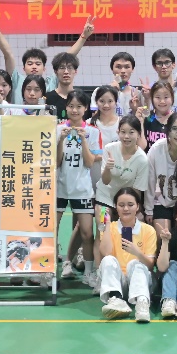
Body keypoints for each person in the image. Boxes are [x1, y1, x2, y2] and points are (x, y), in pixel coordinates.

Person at [57, 90, 101, 287]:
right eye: (71, 106)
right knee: (51, 231)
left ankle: (89, 272)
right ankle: (49, 272)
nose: (74, 110)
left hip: (82, 188)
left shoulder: (93, 131)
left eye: (79, 107)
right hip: (59, 187)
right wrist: (60, 140)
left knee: (87, 232)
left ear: (85, 109)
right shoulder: (58, 129)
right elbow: (56, 162)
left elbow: (90, 162)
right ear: (66, 108)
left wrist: (83, 140)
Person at [95, 187, 158, 321]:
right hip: (119, 283)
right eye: (121, 205)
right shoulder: (110, 228)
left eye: (130, 205)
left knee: (135, 263)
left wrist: (137, 253)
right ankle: (116, 298)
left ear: (138, 206)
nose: (126, 209)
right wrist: (106, 225)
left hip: (141, 281)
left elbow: (150, 266)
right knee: (108, 260)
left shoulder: (148, 230)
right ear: (115, 207)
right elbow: (106, 253)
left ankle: (142, 303)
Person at [98, 116, 150, 219]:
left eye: (131, 132)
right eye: (123, 132)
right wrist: (107, 168)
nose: (126, 136)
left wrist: (132, 209)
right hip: (105, 197)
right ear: (118, 132)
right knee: (103, 223)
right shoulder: (109, 149)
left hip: (126, 201)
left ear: (139, 134)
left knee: (133, 223)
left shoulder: (142, 159)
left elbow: (137, 190)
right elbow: (105, 181)